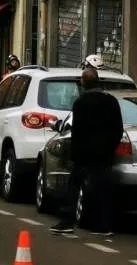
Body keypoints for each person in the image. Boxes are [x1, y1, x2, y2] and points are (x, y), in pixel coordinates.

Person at [50, 68, 124, 236]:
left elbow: (77, 131)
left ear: (83, 83)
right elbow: (118, 129)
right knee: (102, 189)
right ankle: (102, 225)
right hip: (104, 155)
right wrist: (110, 148)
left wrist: (74, 154)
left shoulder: (81, 103)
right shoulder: (111, 101)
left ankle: (67, 221)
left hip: (83, 155)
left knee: (74, 187)